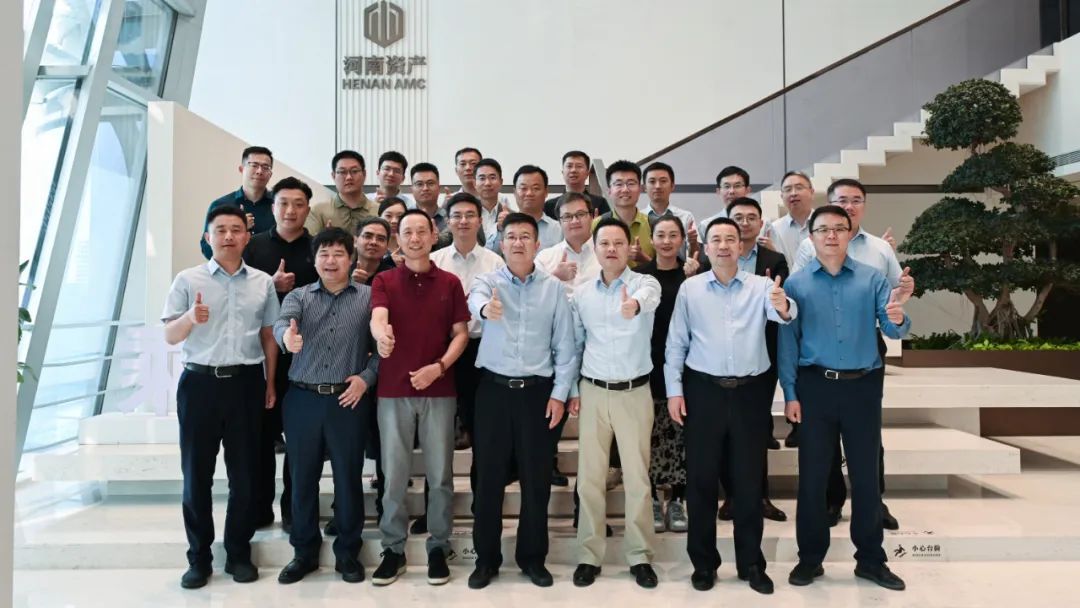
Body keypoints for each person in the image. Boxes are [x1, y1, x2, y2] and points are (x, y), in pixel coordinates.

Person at [781, 204, 911, 591]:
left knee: (866, 477)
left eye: (840, 228)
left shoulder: (872, 279)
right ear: (811, 237)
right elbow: (789, 343)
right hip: (815, 388)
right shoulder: (796, 285)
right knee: (813, 479)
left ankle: (870, 560)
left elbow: (892, 327)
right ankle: (810, 558)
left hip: (862, 387)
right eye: (823, 229)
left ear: (850, 234)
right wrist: (790, 393)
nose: (832, 235)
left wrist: (899, 317)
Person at [666, 217, 796, 595]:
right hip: (702, 392)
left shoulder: (762, 287)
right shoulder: (690, 289)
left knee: (748, 482)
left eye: (730, 239)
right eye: (716, 240)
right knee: (701, 482)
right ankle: (703, 564)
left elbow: (785, 314)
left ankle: (751, 563)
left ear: (742, 247)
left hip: (749, 395)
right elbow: (676, 343)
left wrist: (783, 304)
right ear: (706, 248)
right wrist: (674, 391)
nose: (723, 246)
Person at [162, 206, 280, 589]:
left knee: (245, 475)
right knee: (196, 475)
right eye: (220, 230)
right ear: (207, 237)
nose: (229, 236)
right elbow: (170, 335)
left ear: (247, 236)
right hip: (200, 385)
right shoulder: (187, 279)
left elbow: (268, 336)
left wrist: (270, 383)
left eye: (236, 230)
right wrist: (189, 318)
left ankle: (238, 553)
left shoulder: (262, 283)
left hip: (246, 384)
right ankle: (199, 559)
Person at [465, 212, 578, 589]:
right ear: (501, 243)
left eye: (525, 236)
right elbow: (475, 300)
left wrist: (560, 395)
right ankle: (486, 559)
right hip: (493, 392)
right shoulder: (488, 281)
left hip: (537, 394)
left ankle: (532, 558)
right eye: (510, 236)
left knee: (536, 480)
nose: (517, 242)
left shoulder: (554, 289)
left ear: (537, 244)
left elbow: (566, 348)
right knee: (488, 480)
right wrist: (486, 310)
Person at [369, 209, 471, 586]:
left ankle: (438, 546)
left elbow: (461, 334)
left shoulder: (450, 282)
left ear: (432, 236)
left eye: (420, 232)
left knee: (440, 474)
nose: (414, 238)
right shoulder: (384, 280)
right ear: (398, 239)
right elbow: (378, 317)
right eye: (407, 232)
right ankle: (393, 549)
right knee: (394, 475)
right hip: (393, 391)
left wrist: (438, 367)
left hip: (439, 389)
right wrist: (381, 336)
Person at [273, 228, 379, 585]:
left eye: (338, 254)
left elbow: (383, 346)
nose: (330, 261)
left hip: (347, 399)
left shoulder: (369, 298)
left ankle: (347, 553)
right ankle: (304, 552)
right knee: (302, 479)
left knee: (348, 479)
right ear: (314, 260)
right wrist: (287, 337)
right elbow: (281, 324)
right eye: (324, 254)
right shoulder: (299, 297)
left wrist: (366, 377)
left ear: (351, 259)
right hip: (302, 399)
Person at [569, 216, 661, 589]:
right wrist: (572, 390)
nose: (611, 249)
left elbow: (649, 299)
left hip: (634, 393)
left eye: (618, 243)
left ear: (629, 247)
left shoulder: (645, 283)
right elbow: (576, 345)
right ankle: (589, 556)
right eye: (604, 243)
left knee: (637, 478)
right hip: (593, 390)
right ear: (594, 248)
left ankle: (639, 556)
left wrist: (633, 306)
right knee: (590, 478)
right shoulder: (581, 294)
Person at [242, 177, 320, 536]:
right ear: (272, 207)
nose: (291, 210)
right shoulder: (253, 247)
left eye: (298, 204)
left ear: (308, 209)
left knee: (300, 442)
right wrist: (271, 287)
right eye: (284, 203)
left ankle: (293, 510)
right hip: (260, 357)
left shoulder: (318, 248)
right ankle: (260, 508)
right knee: (260, 437)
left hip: (308, 358)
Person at [715, 198, 790, 524]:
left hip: (761, 356)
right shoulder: (712, 258)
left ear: (761, 224)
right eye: (738, 218)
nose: (744, 223)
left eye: (751, 218)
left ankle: (760, 496)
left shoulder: (774, 260)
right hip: (720, 360)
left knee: (756, 430)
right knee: (724, 432)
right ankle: (732, 496)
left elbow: (783, 304)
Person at [636, 216, 699, 535]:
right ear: (652, 238)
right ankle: (651, 500)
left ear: (682, 240)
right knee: (647, 436)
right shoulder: (640, 277)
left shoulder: (693, 276)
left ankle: (677, 500)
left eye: (673, 235)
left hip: (685, 366)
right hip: (646, 365)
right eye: (660, 235)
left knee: (681, 436)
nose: (666, 241)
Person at [201, 146, 276, 259]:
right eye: (254, 165)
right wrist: (236, 229)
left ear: (270, 174)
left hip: (269, 270)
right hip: (231, 269)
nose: (259, 171)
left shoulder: (278, 206)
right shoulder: (220, 205)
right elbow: (207, 249)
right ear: (241, 169)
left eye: (265, 167)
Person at [591, 160, 654, 269]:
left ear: (640, 189)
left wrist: (644, 259)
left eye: (631, 184)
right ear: (609, 191)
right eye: (618, 184)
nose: (625, 189)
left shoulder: (653, 224)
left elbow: (664, 268)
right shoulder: (596, 225)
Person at [535, 192, 602, 293]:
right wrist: (554, 277)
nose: (575, 221)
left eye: (580, 214)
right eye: (567, 216)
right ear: (559, 222)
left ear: (592, 217)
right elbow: (531, 293)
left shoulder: (608, 253)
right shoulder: (545, 258)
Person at [488, 165, 562, 254]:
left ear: (546, 192)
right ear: (515, 192)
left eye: (536, 188)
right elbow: (490, 255)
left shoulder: (559, 230)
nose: (529, 193)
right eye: (523, 188)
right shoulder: (502, 226)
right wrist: (500, 229)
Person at [306, 150, 378, 235]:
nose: (349, 177)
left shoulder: (378, 211)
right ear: (333, 176)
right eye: (342, 172)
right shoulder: (319, 211)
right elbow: (309, 241)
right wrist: (324, 238)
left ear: (364, 174)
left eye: (354, 171)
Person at [641, 162, 698, 260]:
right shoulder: (638, 218)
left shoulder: (685, 217)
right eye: (652, 181)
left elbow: (694, 256)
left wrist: (693, 243)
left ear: (672, 186)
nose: (658, 186)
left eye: (663, 181)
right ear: (644, 187)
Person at [543, 150, 610, 219]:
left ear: (587, 173)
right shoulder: (549, 206)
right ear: (563, 172)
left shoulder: (600, 203)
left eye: (579, 166)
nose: (573, 170)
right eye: (569, 166)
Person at [770, 171, 816, 271]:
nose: (793, 193)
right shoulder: (775, 229)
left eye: (799, 188)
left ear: (812, 192)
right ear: (782, 196)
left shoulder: (825, 225)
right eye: (788, 189)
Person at [475, 158, 515, 242]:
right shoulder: (466, 215)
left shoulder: (512, 216)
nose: (487, 183)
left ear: (501, 182)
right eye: (482, 178)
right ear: (474, 183)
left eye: (492, 178)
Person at [352, 217, 397, 285]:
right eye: (368, 236)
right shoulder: (341, 272)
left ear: (387, 246)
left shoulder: (396, 277)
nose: (374, 242)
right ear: (355, 241)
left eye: (380, 239)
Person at [378, 197, 408, 267]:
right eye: (388, 216)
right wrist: (389, 261)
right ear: (379, 218)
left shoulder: (411, 245)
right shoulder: (373, 244)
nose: (394, 221)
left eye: (399, 216)